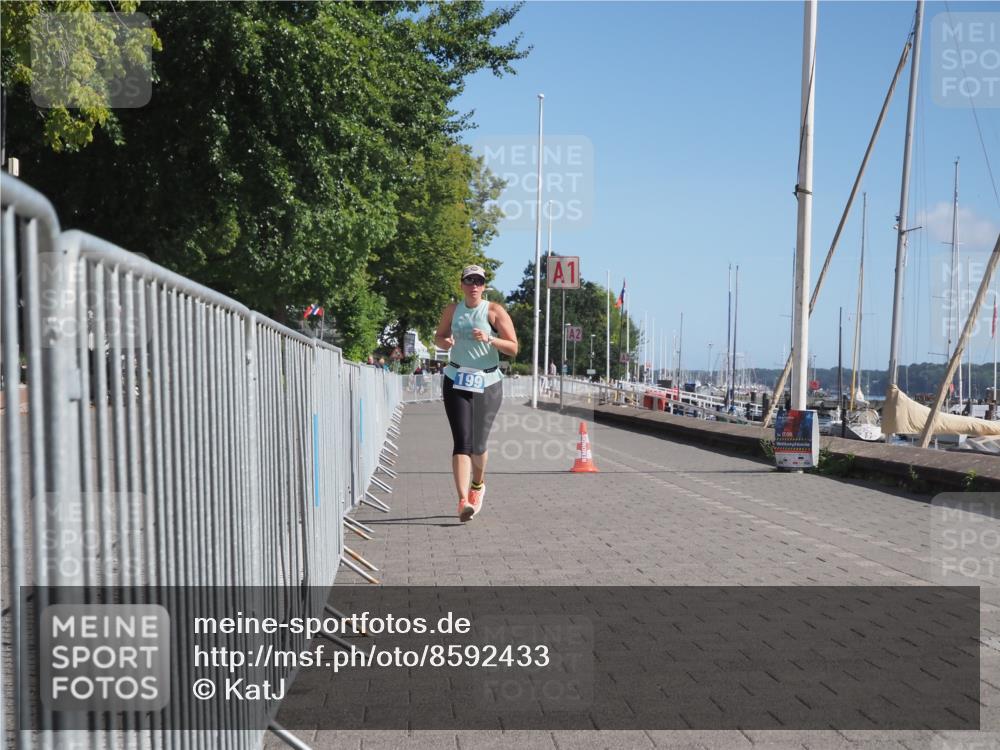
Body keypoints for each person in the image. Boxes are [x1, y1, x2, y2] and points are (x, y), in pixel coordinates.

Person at [434, 264, 518, 522]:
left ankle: (478, 486)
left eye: (479, 282)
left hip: (488, 382)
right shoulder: (452, 310)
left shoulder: (494, 311)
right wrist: (444, 342)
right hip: (456, 378)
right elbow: (439, 336)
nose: (474, 286)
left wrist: (490, 339)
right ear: (461, 284)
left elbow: (513, 348)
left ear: (484, 286)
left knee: (478, 444)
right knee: (462, 441)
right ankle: (462, 501)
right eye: (469, 281)